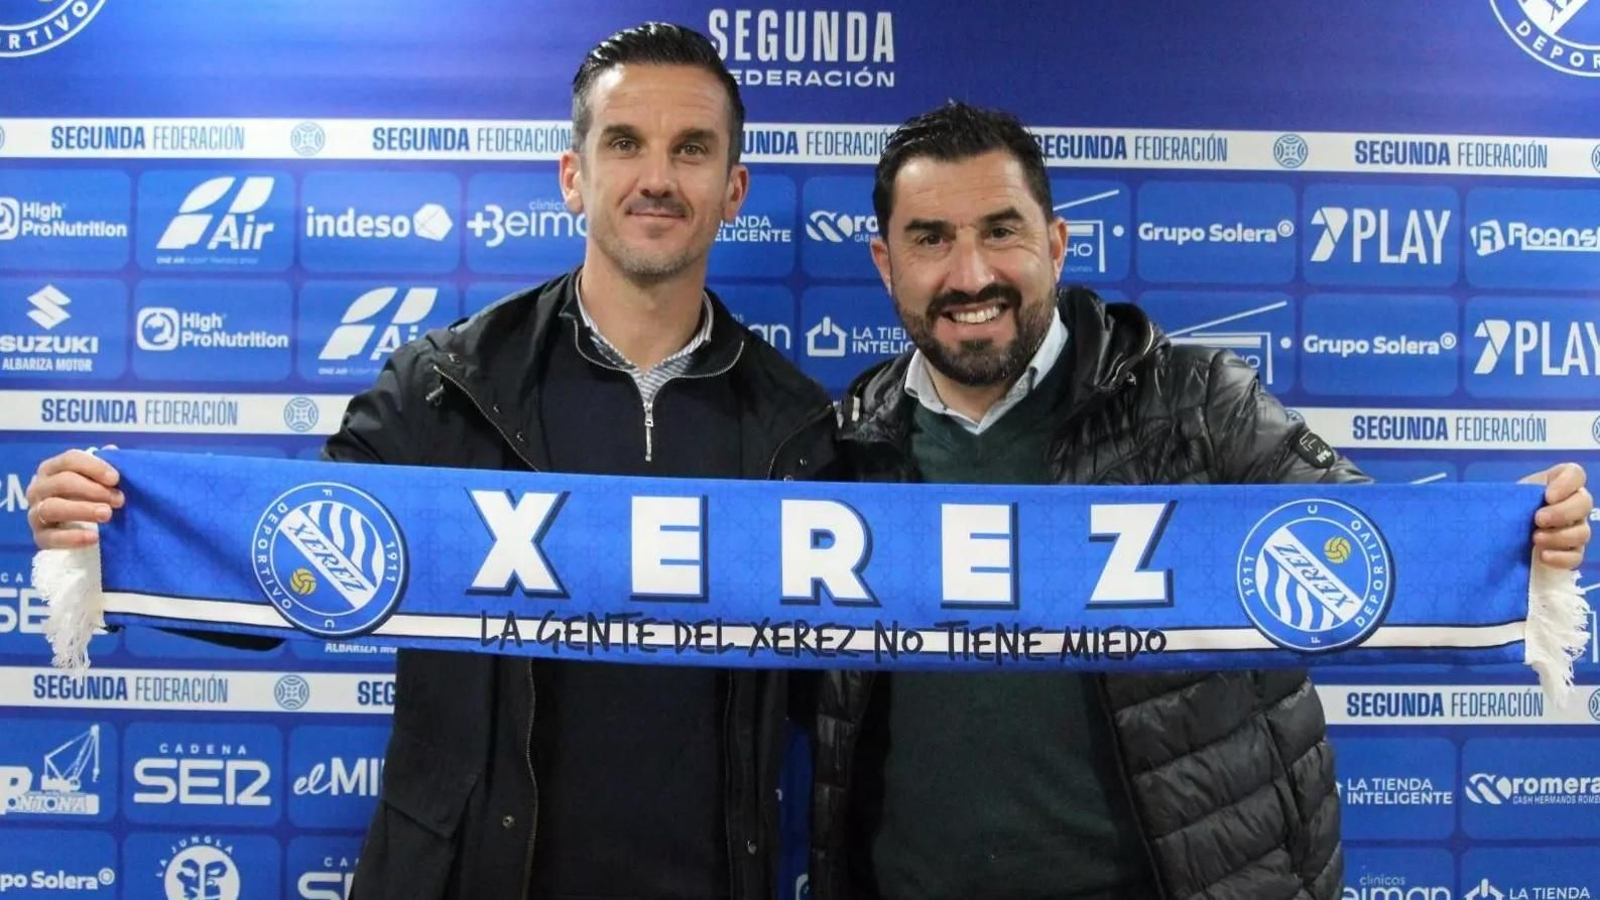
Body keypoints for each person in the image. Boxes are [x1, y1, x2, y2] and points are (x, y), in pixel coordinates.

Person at [26, 22, 838, 900]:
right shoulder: (447, 386)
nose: (656, 178)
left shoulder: (796, 426)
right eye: (624, 143)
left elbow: (840, 683)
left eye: (691, 149)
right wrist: (113, 537)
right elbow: (291, 562)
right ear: (574, 177)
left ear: (734, 189)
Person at [807, 101, 1594, 900]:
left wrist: (1503, 534)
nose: (970, 274)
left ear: (1055, 243)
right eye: (931, 238)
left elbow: (1361, 545)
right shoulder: (839, 447)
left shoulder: (1199, 402)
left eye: (1001, 231)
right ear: (885, 262)